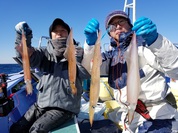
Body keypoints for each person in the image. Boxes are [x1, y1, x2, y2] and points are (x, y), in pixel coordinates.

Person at [82, 10, 178, 132]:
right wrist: (91, 46)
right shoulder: (110, 58)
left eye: (121, 21)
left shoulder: (146, 47)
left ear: (130, 25)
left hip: (158, 115)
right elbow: (88, 70)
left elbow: (176, 71)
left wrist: (157, 42)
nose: (117, 26)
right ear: (109, 33)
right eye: (112, 25)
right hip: (128, 117)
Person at [10, 18, 90, 133]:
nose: (59, 33)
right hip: (41, 104)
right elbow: (25, 54)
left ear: (68, 34)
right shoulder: (44, 54)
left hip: (65, 108)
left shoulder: (78, 52)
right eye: (55, 31)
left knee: (36, 130)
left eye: (63, 30)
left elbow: (85, 75)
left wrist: (77, 59)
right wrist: (22, 36)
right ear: (51, 35)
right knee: (16, 129)